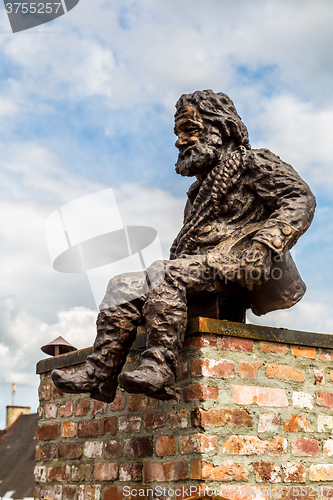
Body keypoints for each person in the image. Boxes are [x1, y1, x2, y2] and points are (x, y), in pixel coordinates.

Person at [52, 90, 316, 402]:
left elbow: (301, 199)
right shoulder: (198, 191)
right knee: (122, 286)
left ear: (221, 130)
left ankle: (160, 368)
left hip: (237, 264)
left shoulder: (252, 163)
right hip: (201, 267)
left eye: (190, 130)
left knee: (164, 274)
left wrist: (264, 244)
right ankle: (100, 375)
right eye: (178, 133)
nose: (180, 140)